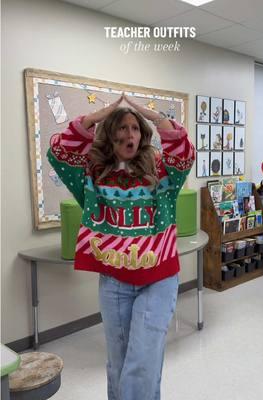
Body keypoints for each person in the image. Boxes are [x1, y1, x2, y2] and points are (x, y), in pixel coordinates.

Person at [47, 93, 195, 400]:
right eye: (122, 128)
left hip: (158, 279)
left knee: (141, 362)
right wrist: (96, 116)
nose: (130, 134)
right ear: (110, 135)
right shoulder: (91, 177)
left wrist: (154, 117)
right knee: (119, 364)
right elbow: (59, 153)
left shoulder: (162, 174)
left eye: (136, 129)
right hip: (114, 282)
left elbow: (184, 153)